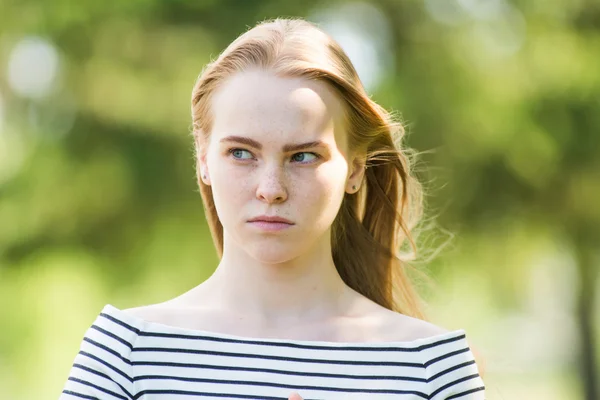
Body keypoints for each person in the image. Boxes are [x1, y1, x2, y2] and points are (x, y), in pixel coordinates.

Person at [59, 17, 485, 400]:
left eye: (303, 156)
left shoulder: (432, 367)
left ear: (354, 170)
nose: (271, 189)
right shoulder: (126, 352)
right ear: (204, 159)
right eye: (242, 153)